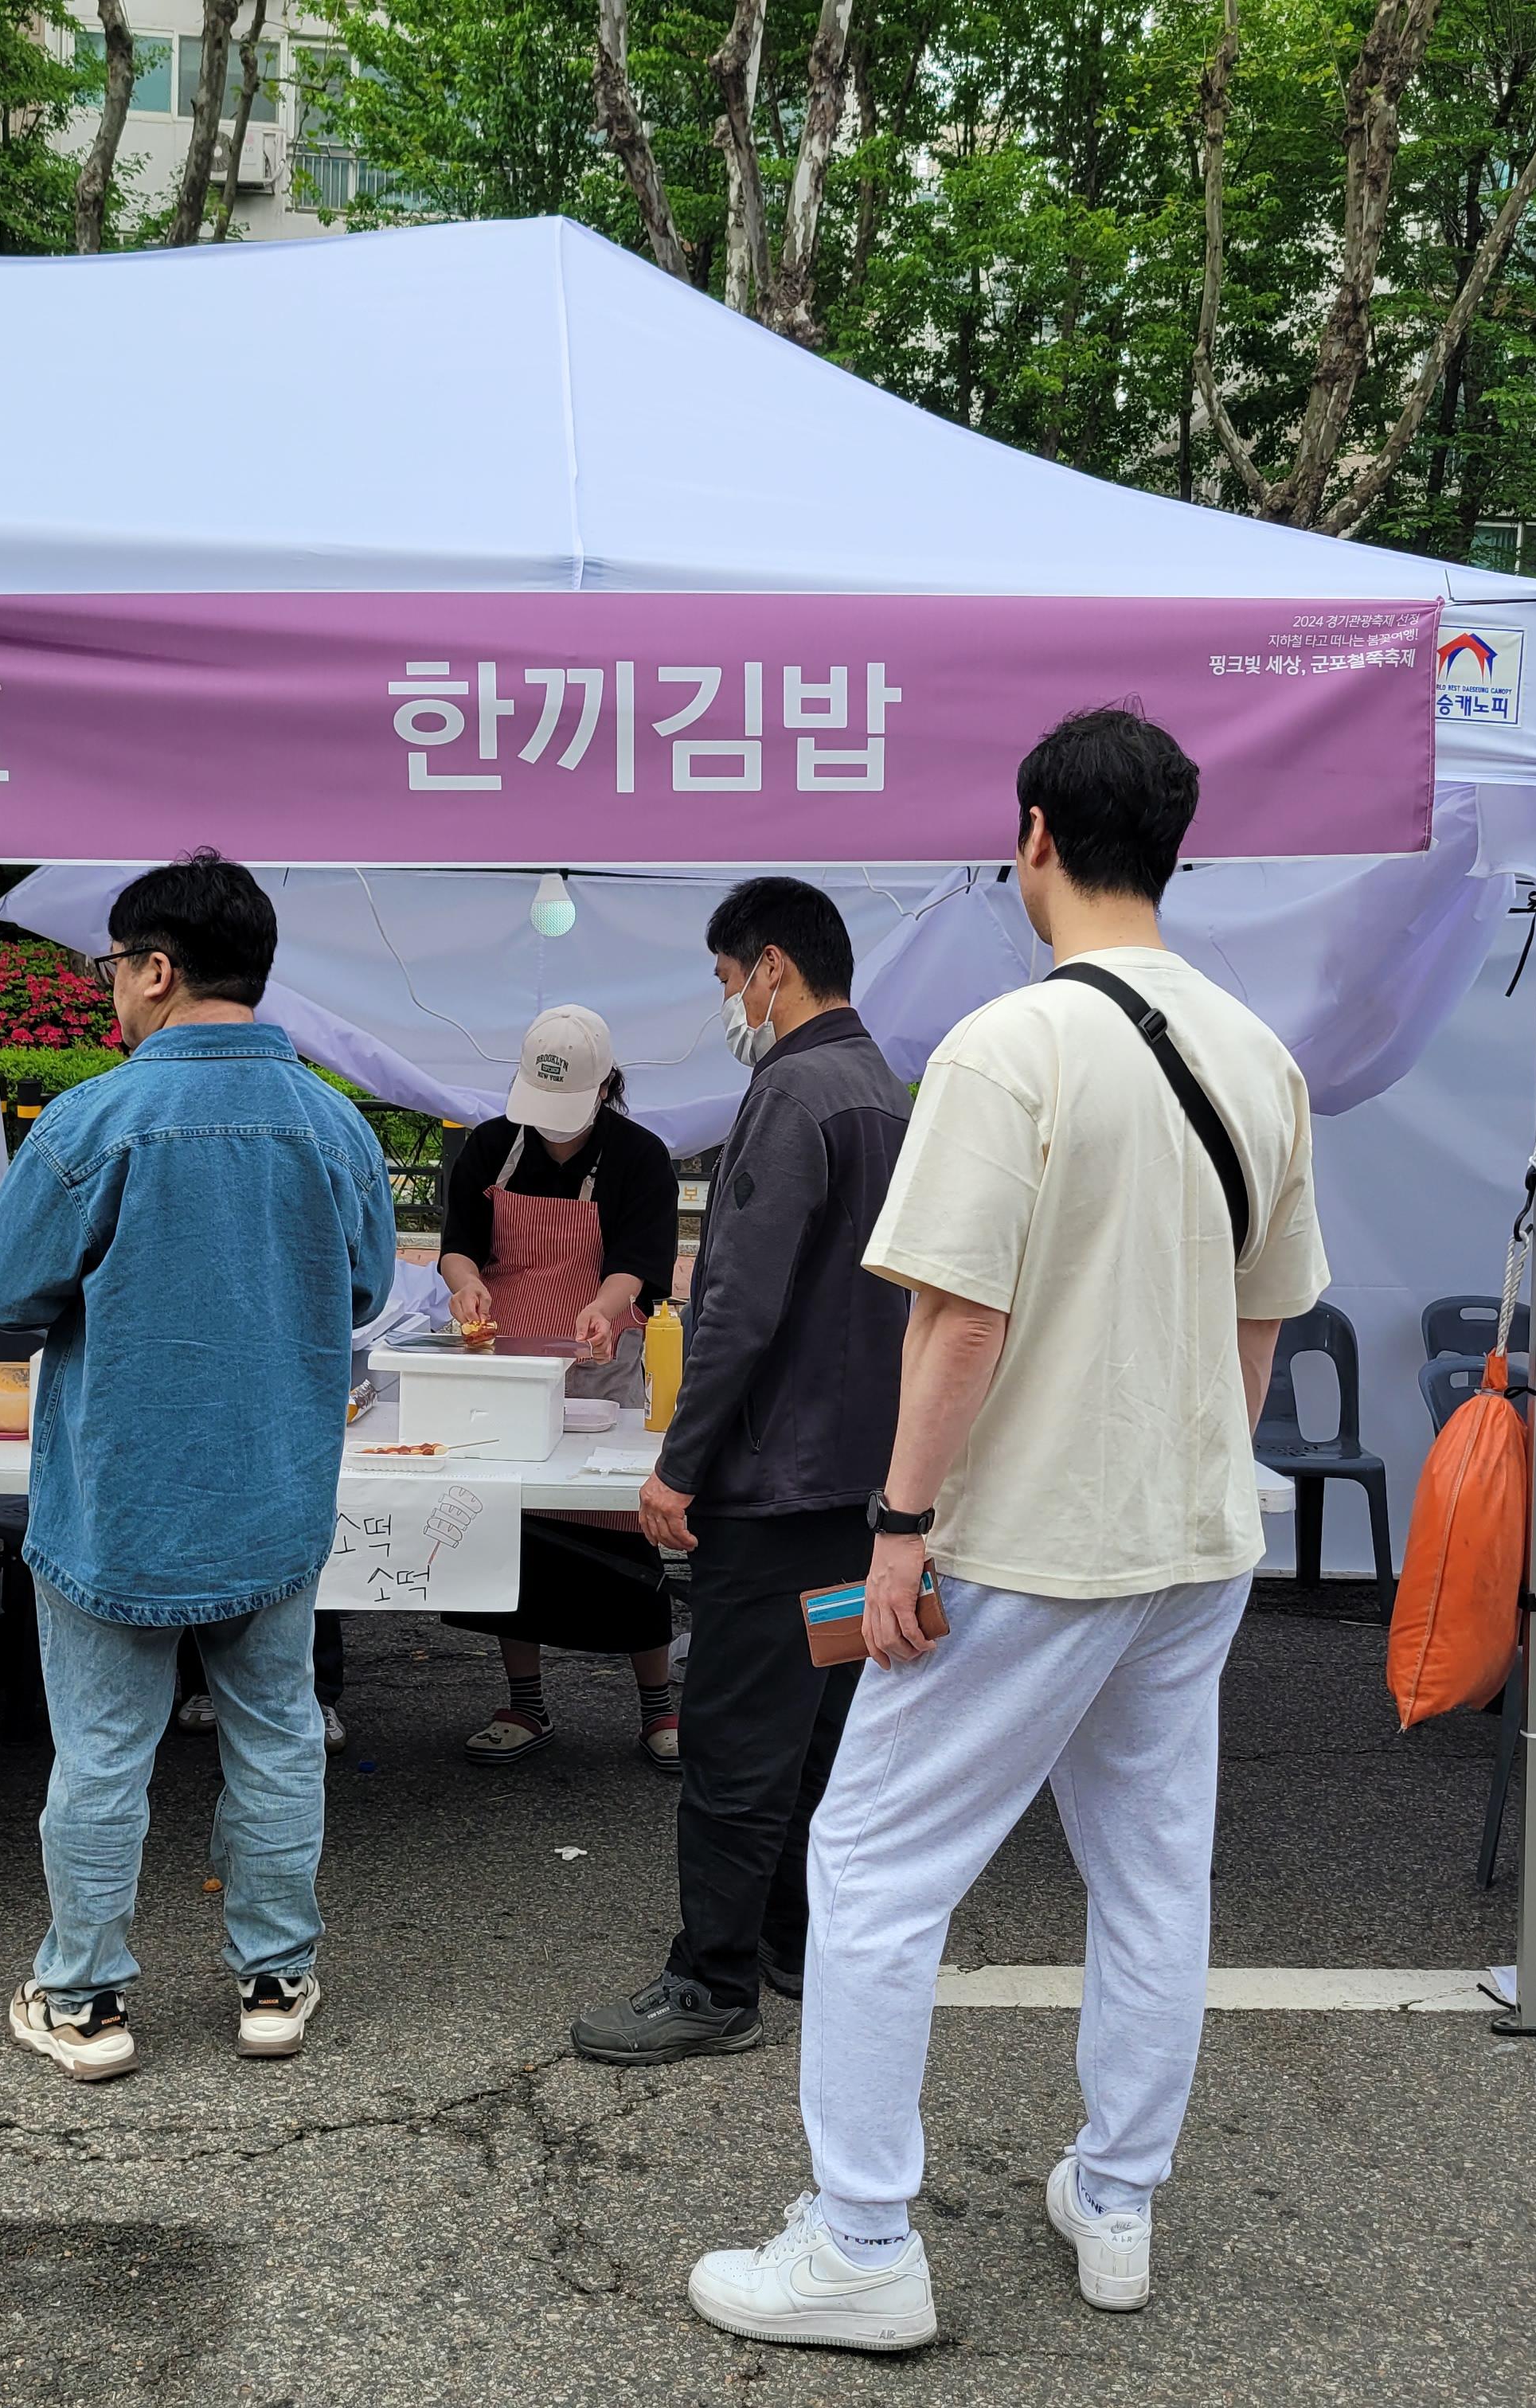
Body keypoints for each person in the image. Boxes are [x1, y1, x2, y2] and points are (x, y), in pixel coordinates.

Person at [686, 710, 1329, 2353]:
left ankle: (860, 2241)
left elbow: (955, 1323)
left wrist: (899, 1526)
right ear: (1171, 846)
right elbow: (1257, 1326)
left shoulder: (1006, 1046)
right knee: (1150, 1872)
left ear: (1031, 831)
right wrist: (1185, 1475)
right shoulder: (1256, 1053)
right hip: (1193, 1540)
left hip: (1027, 1540)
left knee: (871, 1865)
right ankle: (1115, 2198)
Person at [0, 851, 396, 2084]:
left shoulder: (92, 1122)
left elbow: (0, 1290)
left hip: (120, 1499)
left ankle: (85, 2000)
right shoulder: (333, 1124)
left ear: (157, 969)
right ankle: (274, 1982)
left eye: (113, 966)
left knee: (104, 1751)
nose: (108, 988)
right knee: (277, 1738)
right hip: (272, 1491)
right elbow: (365, 1289)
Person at [571, 879, 911, 2066]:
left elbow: (738, 1307)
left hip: (774, 1484)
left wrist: (680, 1464)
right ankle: (791, 1938)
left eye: (726, 978)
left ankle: (711, 1981)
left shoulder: (793, 1091)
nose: (727, 1003)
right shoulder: (879, 1087)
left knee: (732, 1737)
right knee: (818, 1727)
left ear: (770, 966)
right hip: (857, 1486)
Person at [436, 1005, 684, 1767]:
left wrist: (605, 1308)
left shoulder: (639, 1156)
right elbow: (457, 1245)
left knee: (619, 1531)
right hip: (508, 1366)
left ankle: (658, 1707)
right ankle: (527, 1702)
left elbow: (639, 1264)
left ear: (604, 1086)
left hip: (598, 1362)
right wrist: (466, 1286)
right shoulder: (491, 1146)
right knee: (518, 1535)